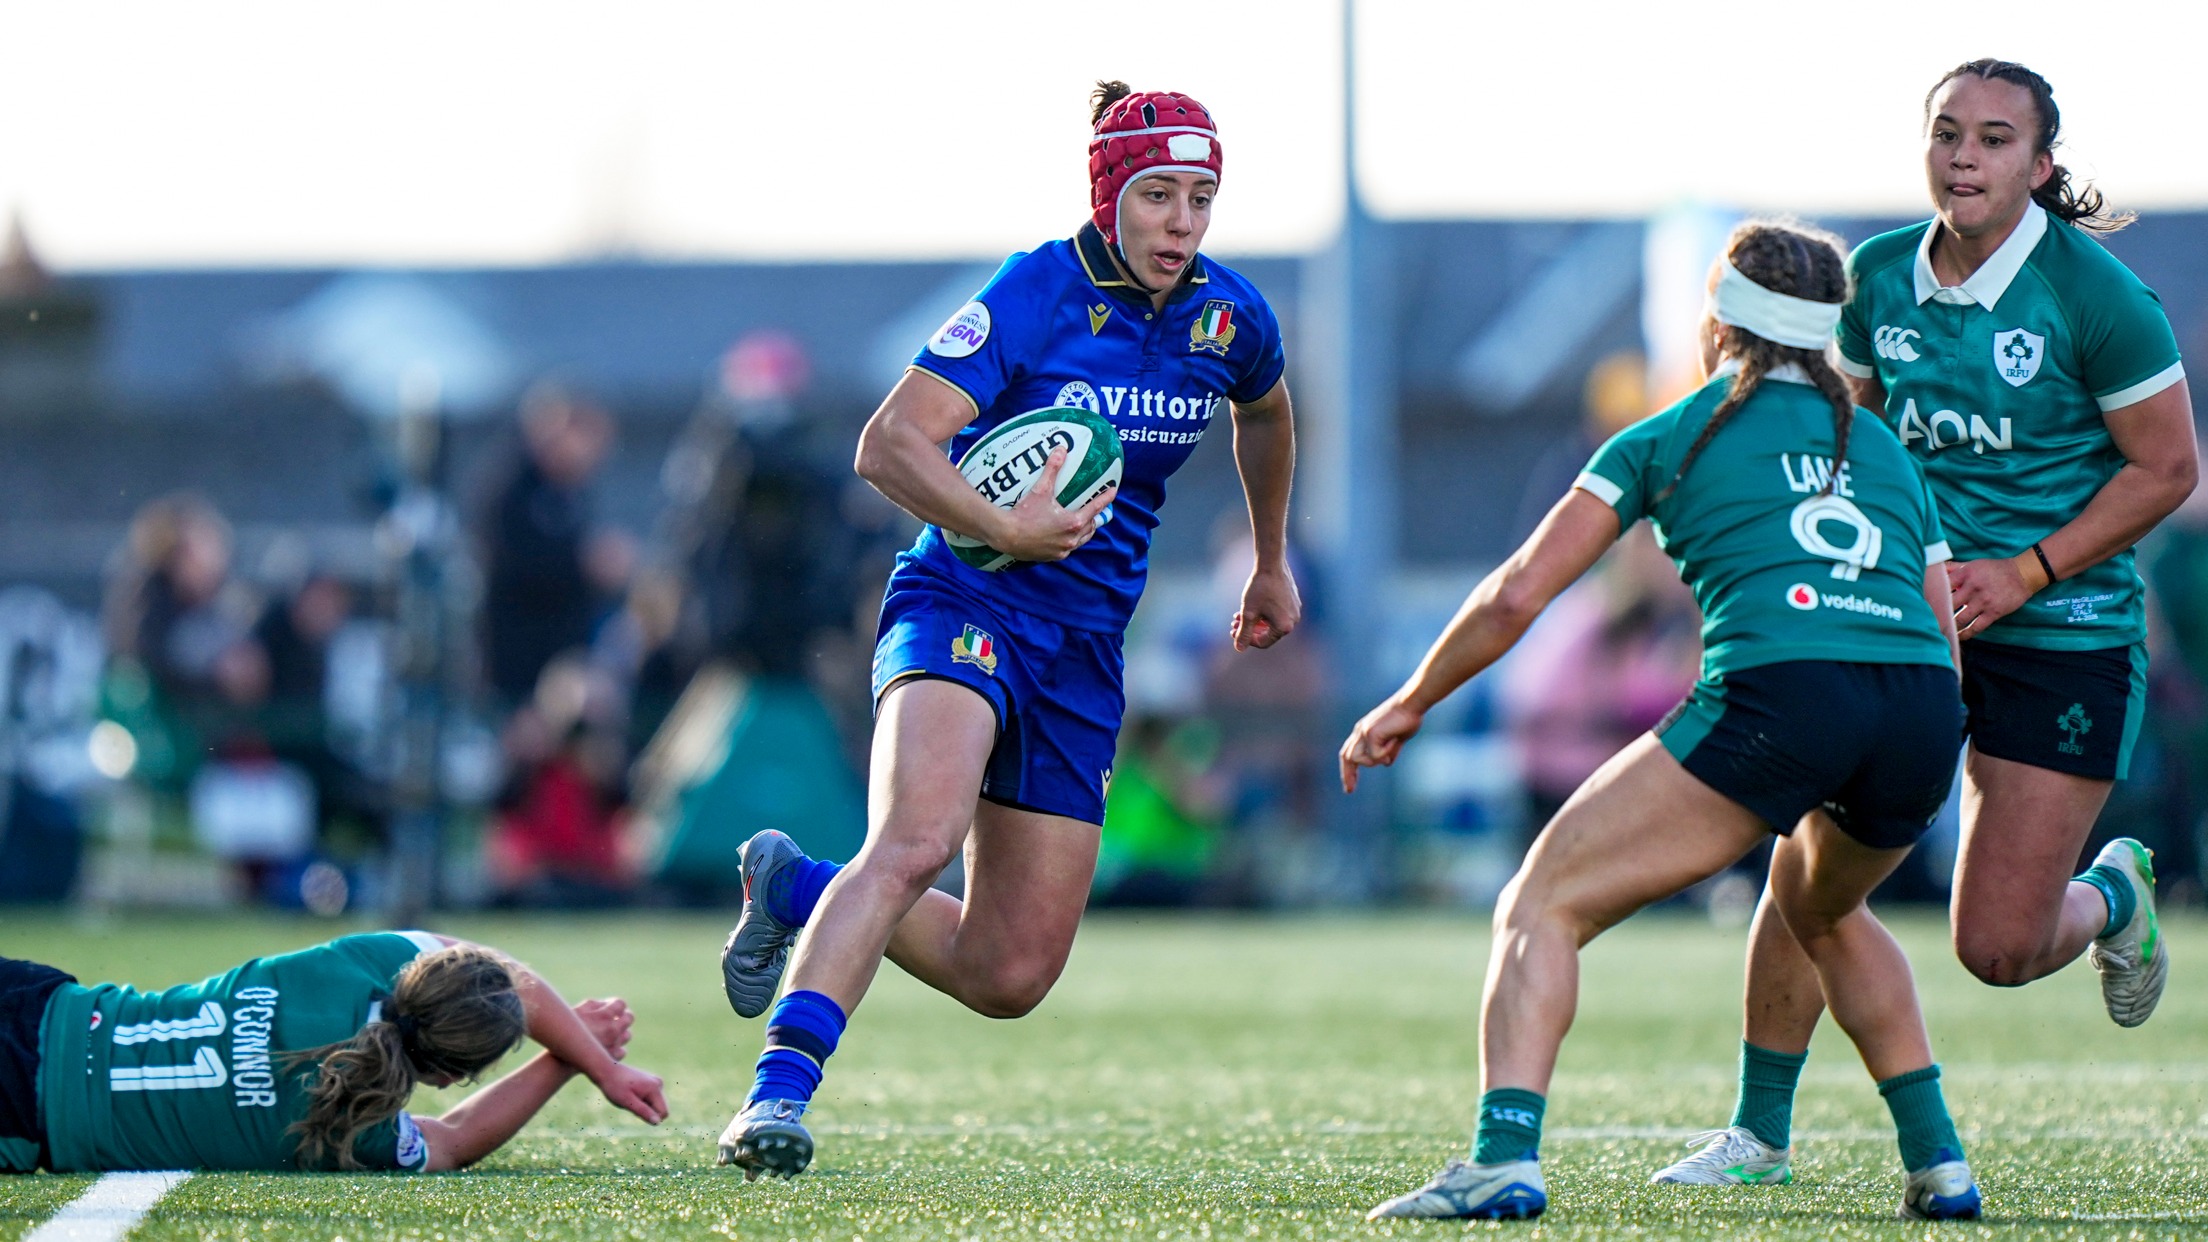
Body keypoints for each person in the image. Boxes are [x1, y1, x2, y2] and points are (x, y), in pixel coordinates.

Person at [711, 80, 1300, 1180]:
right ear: (1110, 194)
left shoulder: (1230, 317)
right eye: (1159, 195)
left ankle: (796, 889)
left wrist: (1269, 558)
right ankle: (776, 1095)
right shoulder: (1036, 291)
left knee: (1009, 974)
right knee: (914, 841)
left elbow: (1264, 409)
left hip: (1084, 649)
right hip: (965, 602)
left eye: (1201, 198)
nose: (1182, 221)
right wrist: (1005, 530)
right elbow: (890, 444)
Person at [1345, 221, 1982, 1222]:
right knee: (1818, 904)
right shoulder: (1887, 452)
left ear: (1718, 324)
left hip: (1783, 694)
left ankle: (1502, 1157)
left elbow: (1518, 596)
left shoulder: (1671, 433)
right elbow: (1942, 634)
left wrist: (1411, 699)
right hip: (1920, 709)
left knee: (1542, 901)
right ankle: (1936, 1161)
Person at [1656, 60, 2193, 1189]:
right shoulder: (1876, 278)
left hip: (2068, 634)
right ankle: (1758, 1135)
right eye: (1948, 133)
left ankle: (2113, 898)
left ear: (2039, 166)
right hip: (1906, 629)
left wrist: (2024, 572)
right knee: (1807, 869)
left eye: (1995, 139)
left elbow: (2167, 470)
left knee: (1997, 949)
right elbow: (1838, 431)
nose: (1965, 156)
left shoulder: (2100, 298)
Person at [0, 932, 667, 1173]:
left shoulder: (354, 963)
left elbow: (492, 965)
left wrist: (600, 1062)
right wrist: (570, 1063)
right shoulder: (352, 1122)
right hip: (28, 1116)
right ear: (445, 1075)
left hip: (40, 1002)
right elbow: (454, 1141)